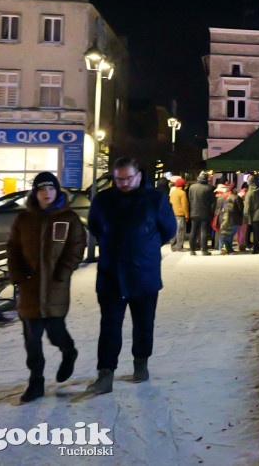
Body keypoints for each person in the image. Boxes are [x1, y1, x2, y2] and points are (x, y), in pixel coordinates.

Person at [86, 157, 177, 394]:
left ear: (139, 175)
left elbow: (168, 230)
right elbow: (95, 226)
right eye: (119, 179)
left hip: (143, 273)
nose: (124, 183)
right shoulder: (103, 200)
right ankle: (105, 374)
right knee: (110, 326)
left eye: (128, 178)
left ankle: (141, 364)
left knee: (144, 324)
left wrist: (144, 247)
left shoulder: (155, 199)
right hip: (110, 273)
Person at [6, 172, 87, 403]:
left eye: (51, 189)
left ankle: (68, 352)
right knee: (31, 338)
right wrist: (18, 275)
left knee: (55, 332)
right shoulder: (23, 219)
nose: (46, 193)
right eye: (42, 189)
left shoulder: (68, 218)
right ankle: (36, 379)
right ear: (35, 192)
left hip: (54, 287)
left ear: (57, 191)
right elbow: (12, 248)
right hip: (30, 287)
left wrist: (62, 272)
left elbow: (76, 247)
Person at [187, 172, 216, 256]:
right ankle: (204, 250)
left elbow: (190, 199)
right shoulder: (209, 188)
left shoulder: (192, 187)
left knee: (193, 231)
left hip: (194, 212)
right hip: (205, 212)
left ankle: (192, 250)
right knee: (204, 230)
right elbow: (212, 201)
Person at [216, 183, 244, 255]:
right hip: (233, 219)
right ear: (234, 189)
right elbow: (240, 209)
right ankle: (229, 248)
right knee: (230, 235)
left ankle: (222, 248)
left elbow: (217, 209)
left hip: (222, 218)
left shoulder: (220, 197)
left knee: (223, 233)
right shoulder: (236, 197)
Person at [169, 177, 188, 251]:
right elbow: (184, 205)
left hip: (172, 213)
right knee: (180, 230)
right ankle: (179, 246)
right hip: (180, 213)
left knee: (174, 230)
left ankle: (173, 246)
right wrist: (186, 215)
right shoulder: (182, 193)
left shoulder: (172, 193)